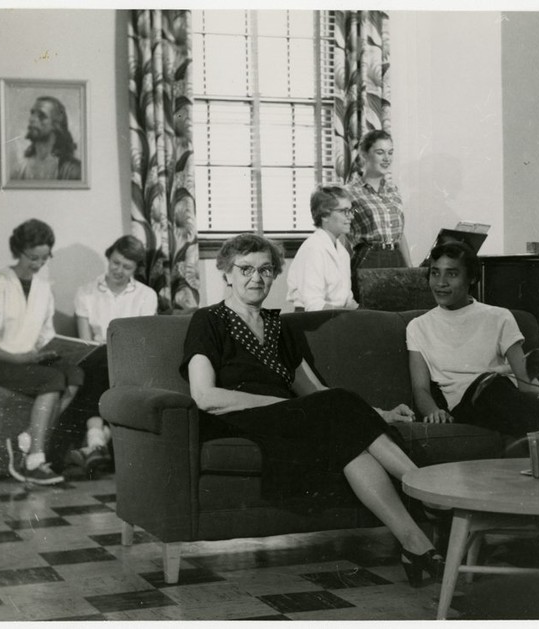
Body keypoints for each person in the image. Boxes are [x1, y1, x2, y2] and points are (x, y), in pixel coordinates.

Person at [181, 233, 443, 587]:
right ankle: (427, 491)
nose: (255, 278)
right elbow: (205, 396)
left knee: (352, 447)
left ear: (275, 276)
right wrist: (283, 404)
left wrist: (380, 413)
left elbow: (316, 393)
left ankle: (415, 544)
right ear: (226, 274)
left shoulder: (279, 327)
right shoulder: (208, 320)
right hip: (237, 419)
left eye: (265, 270)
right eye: (245, 269)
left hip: (291, 418)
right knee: (337, 412)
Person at [406, 240, 539, 458]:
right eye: (435, 273)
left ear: (472, 278)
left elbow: (524, 377)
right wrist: (433, 411)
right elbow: (420, 388)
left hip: (503, 397)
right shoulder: (418, 327)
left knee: (502, 387)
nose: (441, 283)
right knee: (493, 386)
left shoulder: (499, 317)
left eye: (452, 274)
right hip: (465, 407)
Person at [0, 219, 83, 485]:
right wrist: (20, 358)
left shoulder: (44, 288)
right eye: (33, 258)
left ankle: (28, 438)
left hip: (26, 362)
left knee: (75, 374)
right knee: (51, 380)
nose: (38, 265)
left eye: (44, 259)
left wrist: (54, 350)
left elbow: (44, 334)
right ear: (18, 251)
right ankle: (34, 460)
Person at [61, 236, 158, 475]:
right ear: (109, 257)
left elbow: (142, 341)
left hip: (131, 361)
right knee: (98, 358)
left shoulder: (146, 296)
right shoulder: (85, 293)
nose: (119, 270)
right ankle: (98, 442)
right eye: (115, 263)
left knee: (104, 359)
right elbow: (85, 343)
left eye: (127, 267)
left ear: (136, 269)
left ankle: (93, 440)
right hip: (96, 360)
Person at [347, 130, 411, 301]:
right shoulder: (350, 193)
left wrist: (410, 269)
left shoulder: (393, 190)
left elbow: (400, 234)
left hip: (396, 259)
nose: (387, 158)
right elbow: (343, 238)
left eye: (390, 152)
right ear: (364, 154)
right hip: (368, 260)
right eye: (380, 152)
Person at [286, 184, 359, 312]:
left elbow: (347, 299)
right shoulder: (314, 249)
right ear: (324, 215)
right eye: (344, 211)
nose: (351, 217)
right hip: (312, 322)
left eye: (351, 211)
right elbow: (313, 305)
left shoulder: (342, 252)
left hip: (334, 317)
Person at [12, 96, 81, 181]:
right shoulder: (21, 169)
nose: (32, 119)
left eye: (41, 116)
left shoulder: (72, 169)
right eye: (32, 113)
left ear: (56, 125)